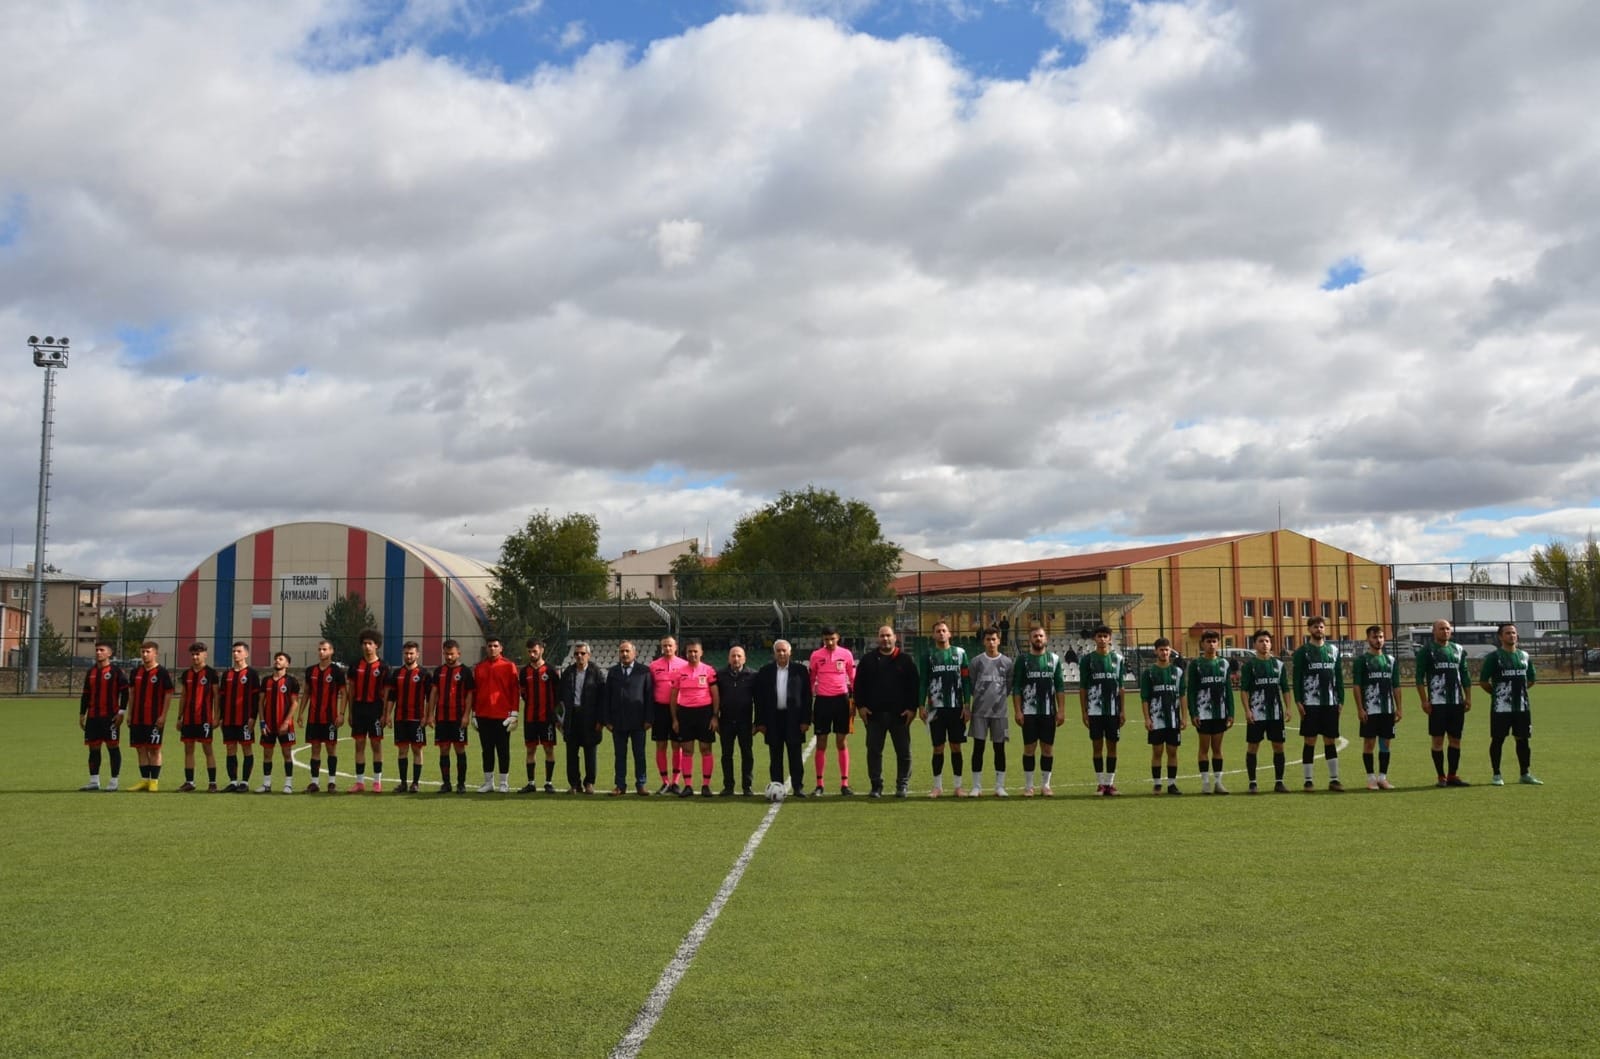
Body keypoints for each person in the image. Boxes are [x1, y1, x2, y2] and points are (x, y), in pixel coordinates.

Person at [855, 625, 920, 798]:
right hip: (874, 715)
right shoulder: (868, 660)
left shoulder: (906, 660)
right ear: (878, 638)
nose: (885, 639)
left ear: (895, 637)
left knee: (904, 752)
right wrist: (860, 706)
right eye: (882, 636)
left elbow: (914, 687)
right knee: (874, 751)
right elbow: (858, 686)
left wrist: (912, 709)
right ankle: (876, 786)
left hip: (900, 716)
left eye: (888, 635)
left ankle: (902, 785)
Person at [1480, 622, 1541, 786]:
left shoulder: (1524, 656)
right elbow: (1484, 681)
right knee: (1498, 739)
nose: (1511, 636)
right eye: (1507, 633)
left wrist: (1518, 692)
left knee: (1523, 740)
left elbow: (1531, 680)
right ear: (1500, 637)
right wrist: (1499, 694)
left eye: (1513, 633)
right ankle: (1496, 774)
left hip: (1522, 707)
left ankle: (1525, 773)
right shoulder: (1494, 657)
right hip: (1501, 707)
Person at [1416, 618, 1473, 787]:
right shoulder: (1427, 651)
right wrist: (1424, 700)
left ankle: (1452, 775)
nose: (1445, 631)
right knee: (1438, 741)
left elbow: (1465, 675)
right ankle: (1441, 776)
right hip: (1437, 703)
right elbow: (1419, 678)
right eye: (1441, 629)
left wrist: (1468, 697)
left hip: (1456, 702)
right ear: (1434, 632)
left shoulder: (1458, 649)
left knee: (1455, 739)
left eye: (1448, 629)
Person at [1012, 625, 1067, 797]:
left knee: (1047, 749)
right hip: (1028, 712)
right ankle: (1029, 786)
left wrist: (1061, 710)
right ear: (1030, 639)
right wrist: (1018, 711)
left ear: (1046, 639)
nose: (1038, 638)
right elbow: (1016, 687)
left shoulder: (1054, 659)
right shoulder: (1023, 660)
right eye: (1035, 636)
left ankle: (1045, 785)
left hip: (1048, 712)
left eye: (1041, 636)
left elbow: (1059, 686)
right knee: (1029, 748)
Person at [918, 621, 971, 798]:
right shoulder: (927, 655)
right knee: (938, 747)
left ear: (949, 634)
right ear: (933, 635)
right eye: (938, 631)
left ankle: (958, 786)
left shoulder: (960, 653)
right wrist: (921, 705)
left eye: (944, 631)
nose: (941, 633)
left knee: (956, 747)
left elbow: (965, 681)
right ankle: (937, 786)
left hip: (956, 708)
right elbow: (923, 681)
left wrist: (967, 705)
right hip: (936, 710)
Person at [1292, 616, 1345, 792]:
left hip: (1330, 702)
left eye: (1321, 627)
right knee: (1310, 740)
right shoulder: (1302, 652)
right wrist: (1298, 700)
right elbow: (1297, 678)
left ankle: (1334, 780)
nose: (1319, 630)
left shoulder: (1333, 650)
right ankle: (1308, 781)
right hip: (1310, 703)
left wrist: (1341, 699)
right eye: (1315, 627)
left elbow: (1338, 676)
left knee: (1330, 740)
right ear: (1309, 629)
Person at [754, 639, 812, 796]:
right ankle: (777, 787)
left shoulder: (800, 670)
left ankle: (798, 787)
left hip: (794, 720)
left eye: (784, 650)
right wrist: (760, 722)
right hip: (773, 720)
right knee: (775, 756)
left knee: (795, 756)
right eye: (778, 651)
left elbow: (807, 697)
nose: (781, 653)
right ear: (774, 653)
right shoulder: (765, 671)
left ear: (789, 652)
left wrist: (806, 720)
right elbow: (759, 699)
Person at [1239, 629, 1292, 793]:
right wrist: (1247, 710)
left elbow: (1284, 688)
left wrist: (1288, 708)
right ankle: (1253, 783)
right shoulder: (1250, 666)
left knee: (1278, 746)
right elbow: (1244, 690)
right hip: (1256, 713)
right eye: (1261, 641)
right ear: (1255, 644)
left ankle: (1279, 782)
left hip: (1276, 713)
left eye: (1267, 641)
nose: (1265, 644)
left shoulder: (1279, 664)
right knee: (1253, 746)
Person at [1078, 624, 1127, 796]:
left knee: (1112, 747)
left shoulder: (1118, 659)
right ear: (1094, 639)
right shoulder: (1087, 660)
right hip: (1095, 711)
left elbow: (1121, 687)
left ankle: (1110, 784)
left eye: (1105, 636)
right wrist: (1084, 711)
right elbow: (1083, 687)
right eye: (1099, 636)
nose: (1102, 639)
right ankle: (1100, 784)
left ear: (1110, 638)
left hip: (1113, 711)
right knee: (1097, 746)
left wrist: (1122, 711)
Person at [808, 626, 857, 796]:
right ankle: (819, 784)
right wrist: (810, 703)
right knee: (821, 741)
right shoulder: (816, 656)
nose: (829, 642)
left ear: (838, 638)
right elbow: (811, 679)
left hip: (841, 701)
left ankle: (844, 783)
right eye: (826, 639)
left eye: (832, 639)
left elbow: (852, 678)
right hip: (822, 701)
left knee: (841, 741)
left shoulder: (846, 655)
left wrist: (854, 701)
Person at [1352, 625, 1401, 790]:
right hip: (1370, 710)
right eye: (1374, 637)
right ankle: (1371, 778)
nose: (1378, 640)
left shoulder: (1391, 661)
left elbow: (1396, 686)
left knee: (1386, 744)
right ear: (1368, 639)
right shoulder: (1362, 661)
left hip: (1387, 710)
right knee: (1369, 744)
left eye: (1380, 637)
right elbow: (1357, 686)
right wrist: (1360, 708)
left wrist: (1399, 708)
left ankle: (1383, 778)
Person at [670, 640, 720, 798]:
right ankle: (688, 786)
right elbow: (673, 697)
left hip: (704, 713)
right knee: (687, 750)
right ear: (685, 653)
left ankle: (706, 785)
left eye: (695, 651)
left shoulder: (709, 670)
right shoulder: (679, 672)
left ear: (701, 652)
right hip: (685, 713)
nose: (692, 654)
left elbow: (715, 695)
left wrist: (714, 716)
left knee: (706, 749)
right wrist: (675, 719)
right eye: (690, 651)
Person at [967, 628, 1014, 797]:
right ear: (984, 641)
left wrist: (998, 700)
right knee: (978, 748)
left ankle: (999, 786)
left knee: (999, 749)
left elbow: (1008, 686)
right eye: (988, 639)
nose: (991, 642)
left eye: (994, 639)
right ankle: (976, 787)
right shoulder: (976, 662)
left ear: (999, 641)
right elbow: (971, 684)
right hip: (979, 712)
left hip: (1000, 712)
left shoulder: (1007, 663)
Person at [1186, 630, 1234, 795]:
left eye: (1214, 641)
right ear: (1202, 644)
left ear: (1218, 643)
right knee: (1204, 748)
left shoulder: (1224, 664)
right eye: (1208, 641)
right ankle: (1205, 782)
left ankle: (1218, 783)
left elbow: (1228, 689)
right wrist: (1193, 713)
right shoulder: (1196, 664)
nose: (1211, 644)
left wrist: (1231, 712)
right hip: (1203, 713)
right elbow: (1191, 690)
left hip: (1220, 713)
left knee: (1218, 749)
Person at [604, 641, 654, 796]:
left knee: (639, 754)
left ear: (634, 653)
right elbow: (607, 697)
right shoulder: (612, 672)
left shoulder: (644, 671)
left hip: (639, 721)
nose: (624, 654)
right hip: (617, 722)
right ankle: (620, 785)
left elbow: (649, 696)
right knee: (620, 755)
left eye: (627, 651)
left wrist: (648, 719)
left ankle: (641, 784)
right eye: (621, 651)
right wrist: (607, 720)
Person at [78, 639, 127, 791]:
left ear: (110, 653)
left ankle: (114, 781)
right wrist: (82, 713)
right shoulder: (91, 672)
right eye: (97, 650)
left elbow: (125, 692)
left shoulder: (116, 671)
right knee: (93, 748)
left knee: (113, 748)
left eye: (102, 650)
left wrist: (121, 712)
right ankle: (94, 781)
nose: (98, 652)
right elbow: (85, 694)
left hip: (110, 717)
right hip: (93, 717)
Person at [125, 640, 174, 792]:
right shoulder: (135, 672)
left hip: (154, 717)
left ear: (155, 653)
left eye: (148, 652)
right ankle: (144, 780)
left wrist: (163, 715)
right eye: (143, 652)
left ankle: (154, 781)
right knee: (140, 748)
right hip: (137, 717)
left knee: (154, 749)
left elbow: (168, 695)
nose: (145, 655)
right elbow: (131, 694)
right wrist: (129, 713)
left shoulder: (162, 672)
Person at [472, 636, 520, 793]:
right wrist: (474, 713)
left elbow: (515, 690)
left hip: (502, 716)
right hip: (483, 715)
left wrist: (514, 713)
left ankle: (504, 783)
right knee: (486, 750)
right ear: (486, 648)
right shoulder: (479, 667)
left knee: (503, 749)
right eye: (490, 646)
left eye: (495, 645)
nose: (492, 648)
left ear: (501, 648)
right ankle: (488, 783)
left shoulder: (509, 666)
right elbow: (475, 692)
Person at [299, 639, 347, 793]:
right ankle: (314, 783)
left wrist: (341, 714)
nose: (321, 652)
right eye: (319, 649)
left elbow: (344, 693)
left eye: (325, 649)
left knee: (331, 749)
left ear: (331, 651)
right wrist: (300, 713)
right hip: (313, 718)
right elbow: (306, 692)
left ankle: (332, 782)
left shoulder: (336, 671)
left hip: (330, 718)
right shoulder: (310, 671)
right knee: (315, 749)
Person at [428, 638, 475, 793]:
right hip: (442, 717)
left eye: (451, 654)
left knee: (460, 749)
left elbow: (469, 695)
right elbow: (434, 693)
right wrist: (430, 714)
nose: (448, 657)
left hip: (458, 716)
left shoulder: (465, 671)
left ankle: (461, 784)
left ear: (458, 653)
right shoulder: (438, 671)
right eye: (446, 654)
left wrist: (466, 715)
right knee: (444, 749)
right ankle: (446, 783)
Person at [1140, 638, 1186, 794]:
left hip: (1174, 719)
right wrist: (1147, 718)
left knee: (1172, 751)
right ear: (1155, 651)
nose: (1164, 652)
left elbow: (1182, 696)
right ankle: (1157, 783)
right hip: (1156, 719)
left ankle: (1172, 784)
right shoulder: (1149, 672)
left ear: (1170, 651)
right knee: (1157, 751)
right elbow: (1145, 698)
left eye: (1166, 649)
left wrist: (1184, 717)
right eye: (1161, 649)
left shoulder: (1177, 672)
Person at [558, 642, 605, 793]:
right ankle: (574, 784)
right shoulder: (568, 673)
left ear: (588, 655)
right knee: (571, 753)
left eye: (582, 653)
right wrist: (559, 720)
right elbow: (559, 697)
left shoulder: (596, 672)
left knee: (590, 752)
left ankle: (589, 783)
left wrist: (600, 720)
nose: (579, 656)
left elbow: (602, 699)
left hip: (590, 719)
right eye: (576, 654)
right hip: (572, 718)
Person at [346, 629, 389, 793]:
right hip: (358, 710)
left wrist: (385, 714)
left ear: (376, 645)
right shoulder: (355, 665)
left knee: (376, 745)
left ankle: (377, 782)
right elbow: (351, 690)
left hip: (375, 711)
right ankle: (360, 782)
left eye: (370, 643)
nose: (366, 646)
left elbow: (386, 693)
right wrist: (350, 712)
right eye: (364, 643)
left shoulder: (383, 667)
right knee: (359, 745)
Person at [385, 641, 431, 793]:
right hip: (400, 718)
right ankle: (403, 783)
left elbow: (430, 697)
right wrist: (388, 715)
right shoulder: (397, 673)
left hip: (417, 719)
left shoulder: (424, 674)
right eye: (406, 653)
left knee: (417, 751)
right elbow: (392, 696)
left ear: (417, 654)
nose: (409, 656)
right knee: (402, 751)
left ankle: (415, 783)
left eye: (412, 653)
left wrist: (427, 716)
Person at [217, 641, 260, 793]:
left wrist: (253, 717)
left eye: (239, 651)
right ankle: (233, 782)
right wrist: (221, 717)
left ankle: (245, 782)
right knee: (230, 749)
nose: (236, 654)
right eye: (234, 651)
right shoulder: (227, 674)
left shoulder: (252, 674)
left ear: (246, 654)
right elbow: (222, 697)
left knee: (246, 748)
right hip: (228, 719)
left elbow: (256, 698)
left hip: (245, 719)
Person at [177, 641, 219, 792]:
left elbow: (216, 696)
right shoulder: (186, 674)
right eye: (193, 654)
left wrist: (216, 716)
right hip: (188, 719)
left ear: (205, 655)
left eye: (198, 654)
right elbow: (183, 696)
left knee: (207, 749)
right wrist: (179, 717)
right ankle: (189, 782)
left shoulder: (211, 673)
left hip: (204, 718)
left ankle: (212, 783)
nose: (195, 657)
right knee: (188, 749)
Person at [518, 639, 559, 793]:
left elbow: (557, 694)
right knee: (530, 750)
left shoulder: (550, 670)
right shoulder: (524, 672)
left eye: (535, 651)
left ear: (542, 650)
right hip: (530, 718)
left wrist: (556, 717)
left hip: (547, 718)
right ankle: (531, 783)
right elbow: (523, 693)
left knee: (548, 749)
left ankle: (548, 782)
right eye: (529, 651)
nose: (532, 654)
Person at [648, 636, 688, 793]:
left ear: (676, 647)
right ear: (661, 647)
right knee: (661, 745)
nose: (667, 648)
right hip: (660, 709)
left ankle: (675, 782)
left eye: (670, 645)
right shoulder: (653, 666)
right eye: (664, 646)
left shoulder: (684, 665)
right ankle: (665, 781)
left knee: (677, 745)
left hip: (679, 709)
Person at [717, 646, 758, 796]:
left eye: (739, 656)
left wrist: (757, 722)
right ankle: (728, 786)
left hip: (745, 723)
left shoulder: (753, 675)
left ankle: (747, 786)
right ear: (728, 658)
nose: (736, 659)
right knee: (726, 755)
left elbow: (758, 700)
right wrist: (715, 718)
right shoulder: (720, 675)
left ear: (744, 658)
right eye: (733, 656)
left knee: (747, 754)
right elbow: (714, 698)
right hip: (725, 722)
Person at [256, 651, 299, 794]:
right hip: (269, 725)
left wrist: (286, 722)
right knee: (267, 754)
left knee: (287, 753)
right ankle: (266, 784)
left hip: (285, 725)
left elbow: (294, 704)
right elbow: (261, 703)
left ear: (287, 664)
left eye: (281, 659)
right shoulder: (266, 681)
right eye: (276, 659)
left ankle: (288, 785)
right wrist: (262, 722)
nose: (277, 661)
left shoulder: (291, 681)